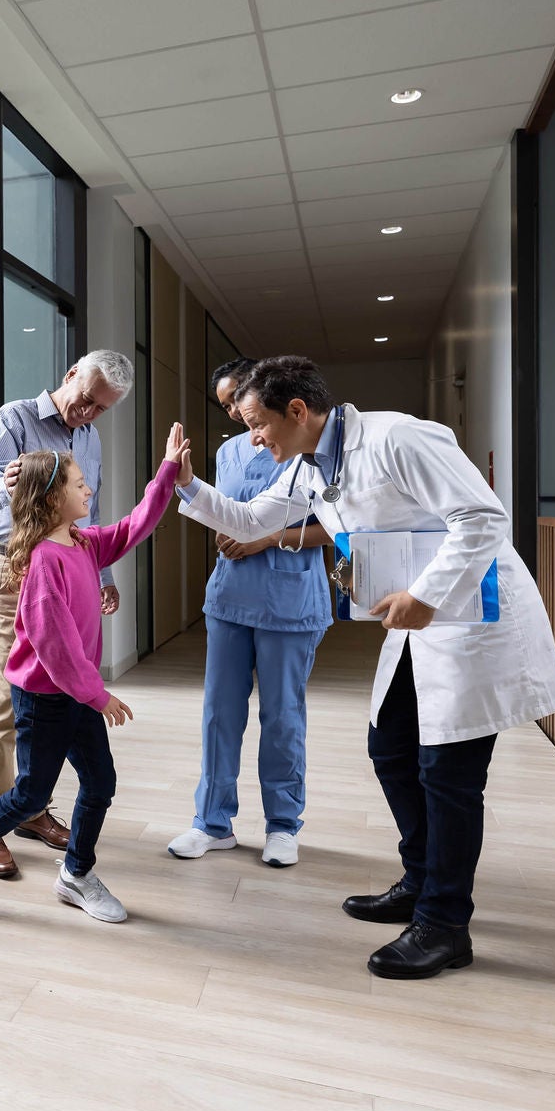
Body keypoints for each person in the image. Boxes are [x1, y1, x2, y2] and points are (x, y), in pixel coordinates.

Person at [172, 356, 555, 980]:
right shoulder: (307, 468)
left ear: (296, 411)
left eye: (256, 424)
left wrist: (427, 594)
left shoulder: (398, 437)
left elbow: (484, 518)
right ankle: (420, 879)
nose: (252, 439)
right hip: (417, 625)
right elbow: (249, 521)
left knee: (449, 775)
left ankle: (444, 923)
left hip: (470, 617)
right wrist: (188, 485)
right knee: (390, 748)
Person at [0, 423, 191, 925]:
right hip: (46, 698)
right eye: (77, 483)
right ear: (50, 499)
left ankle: (76, 873)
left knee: (99, 784)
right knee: (30, 793)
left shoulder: (83, 544)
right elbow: (56, 648)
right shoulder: (45, 562)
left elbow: (136, 525)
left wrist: (168, 472)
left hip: (75, 695)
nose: (88, 488)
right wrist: (98, 696)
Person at [0, 350, 134, 879]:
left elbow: (92, 507)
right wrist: (8, 485)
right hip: (16, 570)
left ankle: (31, 808)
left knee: (58, 694)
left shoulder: (89, 438)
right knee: (9, 696)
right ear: (69, 377)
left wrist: (102, 574)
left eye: (100, 410)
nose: (88, 414)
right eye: (86, 401)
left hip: (69, 567)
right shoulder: (14, 419)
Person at [167, 358, 332, 869]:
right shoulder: (229, 450)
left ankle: (283, 825)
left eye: (242, 400)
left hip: (289, 599)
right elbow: (229, 512)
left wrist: (267, 540)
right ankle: (212, 822)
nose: (239, 415)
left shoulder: (306, 447)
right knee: (220, 713)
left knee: (282, 716)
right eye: (226, 407)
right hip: (230, 597)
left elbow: (337, 524)